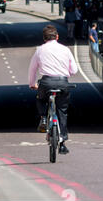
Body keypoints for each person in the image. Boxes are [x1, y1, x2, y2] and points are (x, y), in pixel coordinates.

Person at [28, 25, 78, 155]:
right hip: (62, 82)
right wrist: (65, 73)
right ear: (57, 37)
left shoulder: (39, 50)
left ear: (44, 38)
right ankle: (62, 143)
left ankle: (44, 118)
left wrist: (32, 84)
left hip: (46, 82)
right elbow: (74, 70)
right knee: (62, 110)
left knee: (40, 99)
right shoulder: (65, 50)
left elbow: (32, 69)